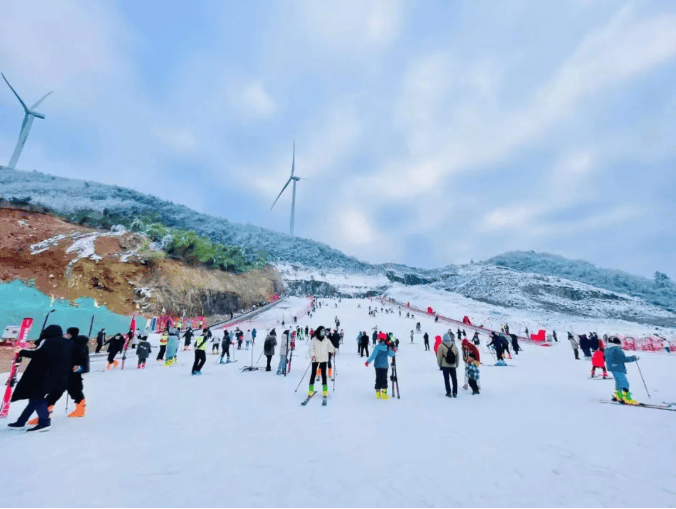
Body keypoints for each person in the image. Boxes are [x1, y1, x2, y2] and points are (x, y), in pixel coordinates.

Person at [8, 325, 72, 432]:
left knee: (36, 397)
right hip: (60, 376)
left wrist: (21, 351)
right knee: (34, 398)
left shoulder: (49, 341)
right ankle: (21, 421)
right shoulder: (67, 342)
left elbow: (39, 354)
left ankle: (44, 422)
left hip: (44, 375)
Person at [28, 327, 90, 425]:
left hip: (64, 374)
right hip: (74, 374)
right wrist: (80, 368)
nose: (65, 335)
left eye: (67, 333)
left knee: (54, 394)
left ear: (69, 334)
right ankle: (80, 410)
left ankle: (43, 416)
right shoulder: (82, 344)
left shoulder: (68, 344)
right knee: (76, 391)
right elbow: (84, 359)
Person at [605, 337, 639, 404]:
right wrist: (634, 358)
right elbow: (623, 359)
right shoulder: (616, 349)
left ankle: (618, 396)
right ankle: (627, 398)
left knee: (618, 382)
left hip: (611, 367)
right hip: (618, 367)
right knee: (625, 383)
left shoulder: (607, 348)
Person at [365, 333, 396, 399]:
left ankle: (378, 394)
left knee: (378, 378)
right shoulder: (387, 346)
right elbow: (391, 354)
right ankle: (384, 395)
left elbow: (373, 356)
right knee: (384, 379)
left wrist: (368, 361)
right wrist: (394, 350)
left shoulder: (377, 347)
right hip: (385, 366)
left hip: (378, 365)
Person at [308, 326, 335, 400]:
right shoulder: (314, 339)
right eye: (322, 331)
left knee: (323, 375)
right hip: (315, 359)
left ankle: (325, 391)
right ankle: (310, 390)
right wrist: (312, 355)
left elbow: (331, 347)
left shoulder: (326, 340)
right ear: (319, 331)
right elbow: (311, 349)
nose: (323, 332)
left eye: (324, 331)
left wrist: (333, 350)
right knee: (313, 373)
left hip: (324, 359)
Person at [437, 332, 460, 397]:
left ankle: (448, 392)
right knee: (454, 379)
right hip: (453, 365)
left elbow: (439, 357)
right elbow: (457, 356)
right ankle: (455, 392)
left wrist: (440, 365)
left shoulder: (441, 346)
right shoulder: (454, 345)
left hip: (445, 366)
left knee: (447, 380)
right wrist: (457, 364)